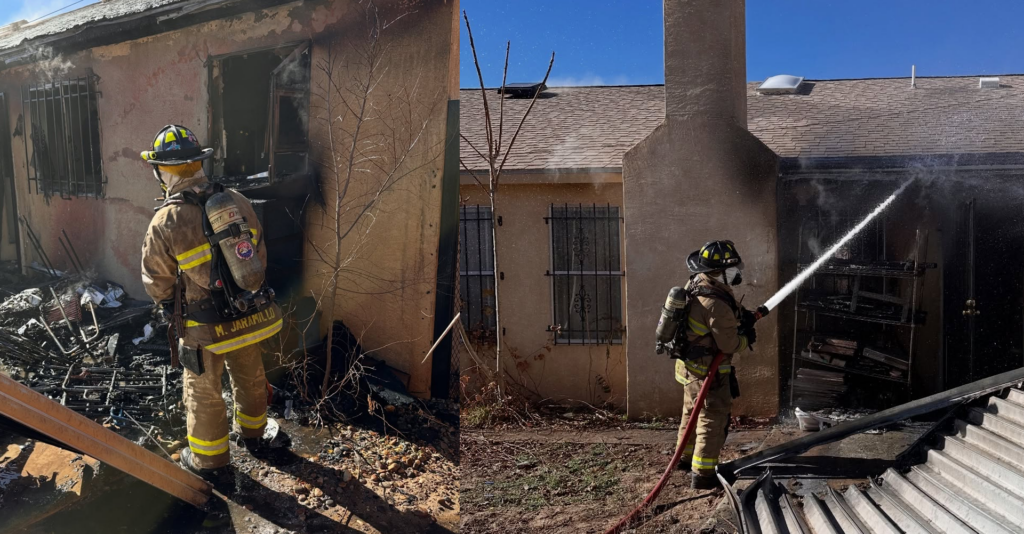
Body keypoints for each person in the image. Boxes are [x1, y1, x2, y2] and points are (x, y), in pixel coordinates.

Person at [139, 125, 284, 474]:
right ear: (198, 164)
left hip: (202, 328)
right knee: (250, 375)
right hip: (248, 315)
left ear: (163, 170)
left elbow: (156, 282)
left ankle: (209, 460)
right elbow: (258, 255)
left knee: (203, 392)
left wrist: (171, 304)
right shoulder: (237, 201)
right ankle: (253, 435)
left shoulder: (165, 220)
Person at [675, 240, 756, 490]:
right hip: (709, 373)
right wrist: (746, 339)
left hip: (689, 368)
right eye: (731, 269)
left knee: (690, 413)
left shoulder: (698, 282)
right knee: (712, 419)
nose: (736, 273)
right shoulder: (715, 304)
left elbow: (725, 308)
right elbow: (729, 344)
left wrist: (745, 315)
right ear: (719, 271)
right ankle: (704, 475)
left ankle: (684, 460)